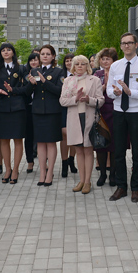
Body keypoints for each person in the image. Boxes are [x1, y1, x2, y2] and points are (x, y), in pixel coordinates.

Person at [107, 32, 138, 203]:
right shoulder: (115, 66)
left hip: (135, 112)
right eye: (123, 43)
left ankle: (135, 188)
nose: (126, 46)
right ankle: (121, 187)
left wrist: (130, 92)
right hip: (119, 111)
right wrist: (116, 92)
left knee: (136, 152)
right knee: (118, 150)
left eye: (130, 43)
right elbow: (108, 90)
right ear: (120, 46)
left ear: (136, 45)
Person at [60, 55, 105, 194]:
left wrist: (88, 99)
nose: (80, 66)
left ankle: (87, 182)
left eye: (83, 64)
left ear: (88, 66)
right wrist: (76, 98)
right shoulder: (68, 80)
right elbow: (62, 101)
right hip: (74, 118)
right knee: (79, 150)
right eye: (77, 64)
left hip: (89, 117)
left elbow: (100, 100)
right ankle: (81, 180)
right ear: (73, 66)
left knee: (88, 150)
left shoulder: (95, 80)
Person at [26, 45, 64, 187]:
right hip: (38, 111)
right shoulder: (34, 70)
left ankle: (50, 172)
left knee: (51, 142)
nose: (45, 56)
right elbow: (28, 92)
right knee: (40, 142)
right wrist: (31, 84)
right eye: (43, 54)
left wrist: (44, 82)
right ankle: (42, 172)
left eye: (48, 54)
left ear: (53, 56)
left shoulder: (59, 72)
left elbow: (59, 91)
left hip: (53, 111)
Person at [0, 43, 30, 184]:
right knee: (4, 139)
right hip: (2, 108)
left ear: (13, 52)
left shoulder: (21, 68)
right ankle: (7, 169)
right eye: (3, 50)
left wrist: (13, 90)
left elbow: (27, 88)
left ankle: (15, 170)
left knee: (18, 139)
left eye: (9, 50)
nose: (6, 52)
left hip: (18, 107)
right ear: (0, 54)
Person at [93, 48, 118, 187]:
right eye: (103, 58)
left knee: (114, 145)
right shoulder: (97, 73)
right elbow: (93, 92)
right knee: (101, 144)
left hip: (115, 110)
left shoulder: (118, 72)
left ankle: (113, 175)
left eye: (108, 58)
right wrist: (103, 87)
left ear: (114, 60)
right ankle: (102, 174)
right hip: (101, 110)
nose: (105, 61)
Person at [60, 53, 78, 177]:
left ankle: (72, 159)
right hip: (63, 108)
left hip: (76, 107)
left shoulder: (80, 75)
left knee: (75, 135)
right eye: (67, 60)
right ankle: (64, 162)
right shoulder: (59, 75)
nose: (69, 62)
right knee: (64, 135)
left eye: (71, 60)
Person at [23, 52, 40, 174]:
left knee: (42, 137)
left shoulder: (44, 74)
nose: (33, 62)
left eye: (36, 60)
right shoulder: (24, 75)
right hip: (28, 109)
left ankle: (44, 162)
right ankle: (30, 161)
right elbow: (25, 92)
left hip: (41, 108)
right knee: (28, 136)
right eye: (31, 60)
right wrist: (30, 83)